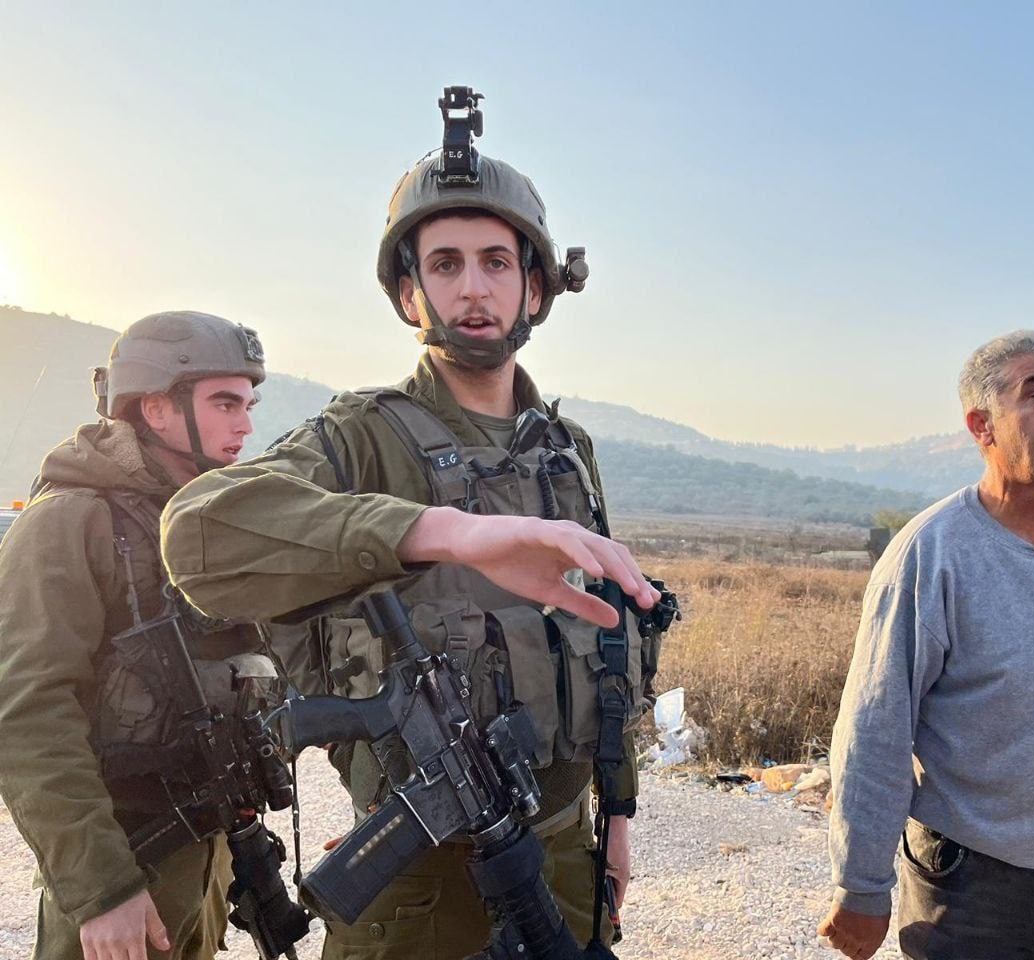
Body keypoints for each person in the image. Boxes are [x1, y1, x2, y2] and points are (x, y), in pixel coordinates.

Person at [160, 91, 662, 959]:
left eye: (498, 262)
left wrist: (613, 815)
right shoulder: (358, 437)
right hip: (417, 888)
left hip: (563, 859)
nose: (474, 287)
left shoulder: (565, 451)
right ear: (408, 291)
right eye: (446, 264)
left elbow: (605, 656)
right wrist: (440, 532)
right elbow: (198, 535)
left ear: (535, 285)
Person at [819, 330, 1034, 960]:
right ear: (982, 426)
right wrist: (861, 887)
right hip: (971, 886)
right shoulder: (934, 553)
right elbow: (877, 728)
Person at [0, 312, 268, 960]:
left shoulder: (199, 521)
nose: (246, 425)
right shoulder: (69, 520)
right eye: (225, 402)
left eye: (248, 403)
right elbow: (27, 713)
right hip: (119, 877)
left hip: (201, 871)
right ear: (156, 408)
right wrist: (101, 890)